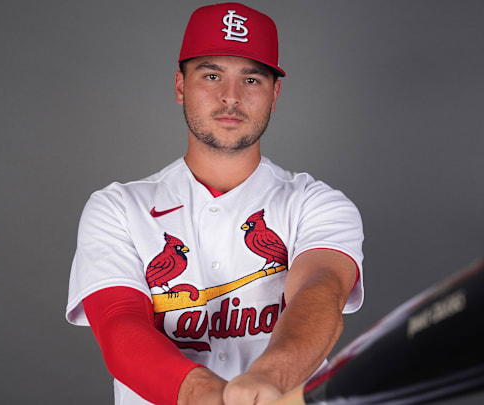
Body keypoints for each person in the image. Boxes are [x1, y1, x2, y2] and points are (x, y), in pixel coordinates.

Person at [65, 3, 364, 405]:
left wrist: (269, 377)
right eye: (211, 75)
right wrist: (199, 392)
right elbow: (119, 323)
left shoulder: (319, 204)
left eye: (252, 80)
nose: (231, 97)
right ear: (179, 86)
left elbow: (321, 291)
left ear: (275, 94)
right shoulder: (117, 207)